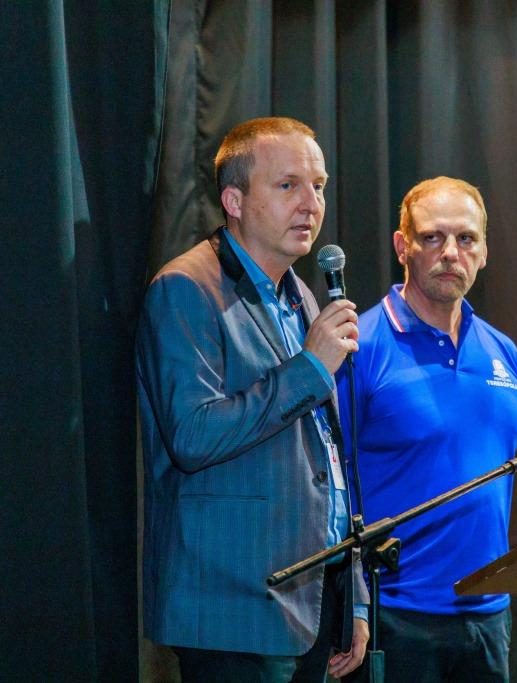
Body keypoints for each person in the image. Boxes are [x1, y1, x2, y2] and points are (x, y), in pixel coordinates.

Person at [136, 116, 369, 682]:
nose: (311, 203)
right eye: (288, 185)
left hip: (313, 602)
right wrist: (309, 367)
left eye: (319, 186)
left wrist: (355, 593)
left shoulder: (302, 297)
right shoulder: (186, 288)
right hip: (231, 611)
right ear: (234, 200)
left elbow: (327, 459)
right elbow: (193, 436)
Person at [337, 176, 517, 682]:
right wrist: (352, 605)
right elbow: (330, 488)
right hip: (395, 618)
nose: (450, 253)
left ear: (484, 252)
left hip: (489, 618)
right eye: (432, 237)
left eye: (466, 238)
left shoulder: (505, 354)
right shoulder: (359, 348)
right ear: (403, 247)